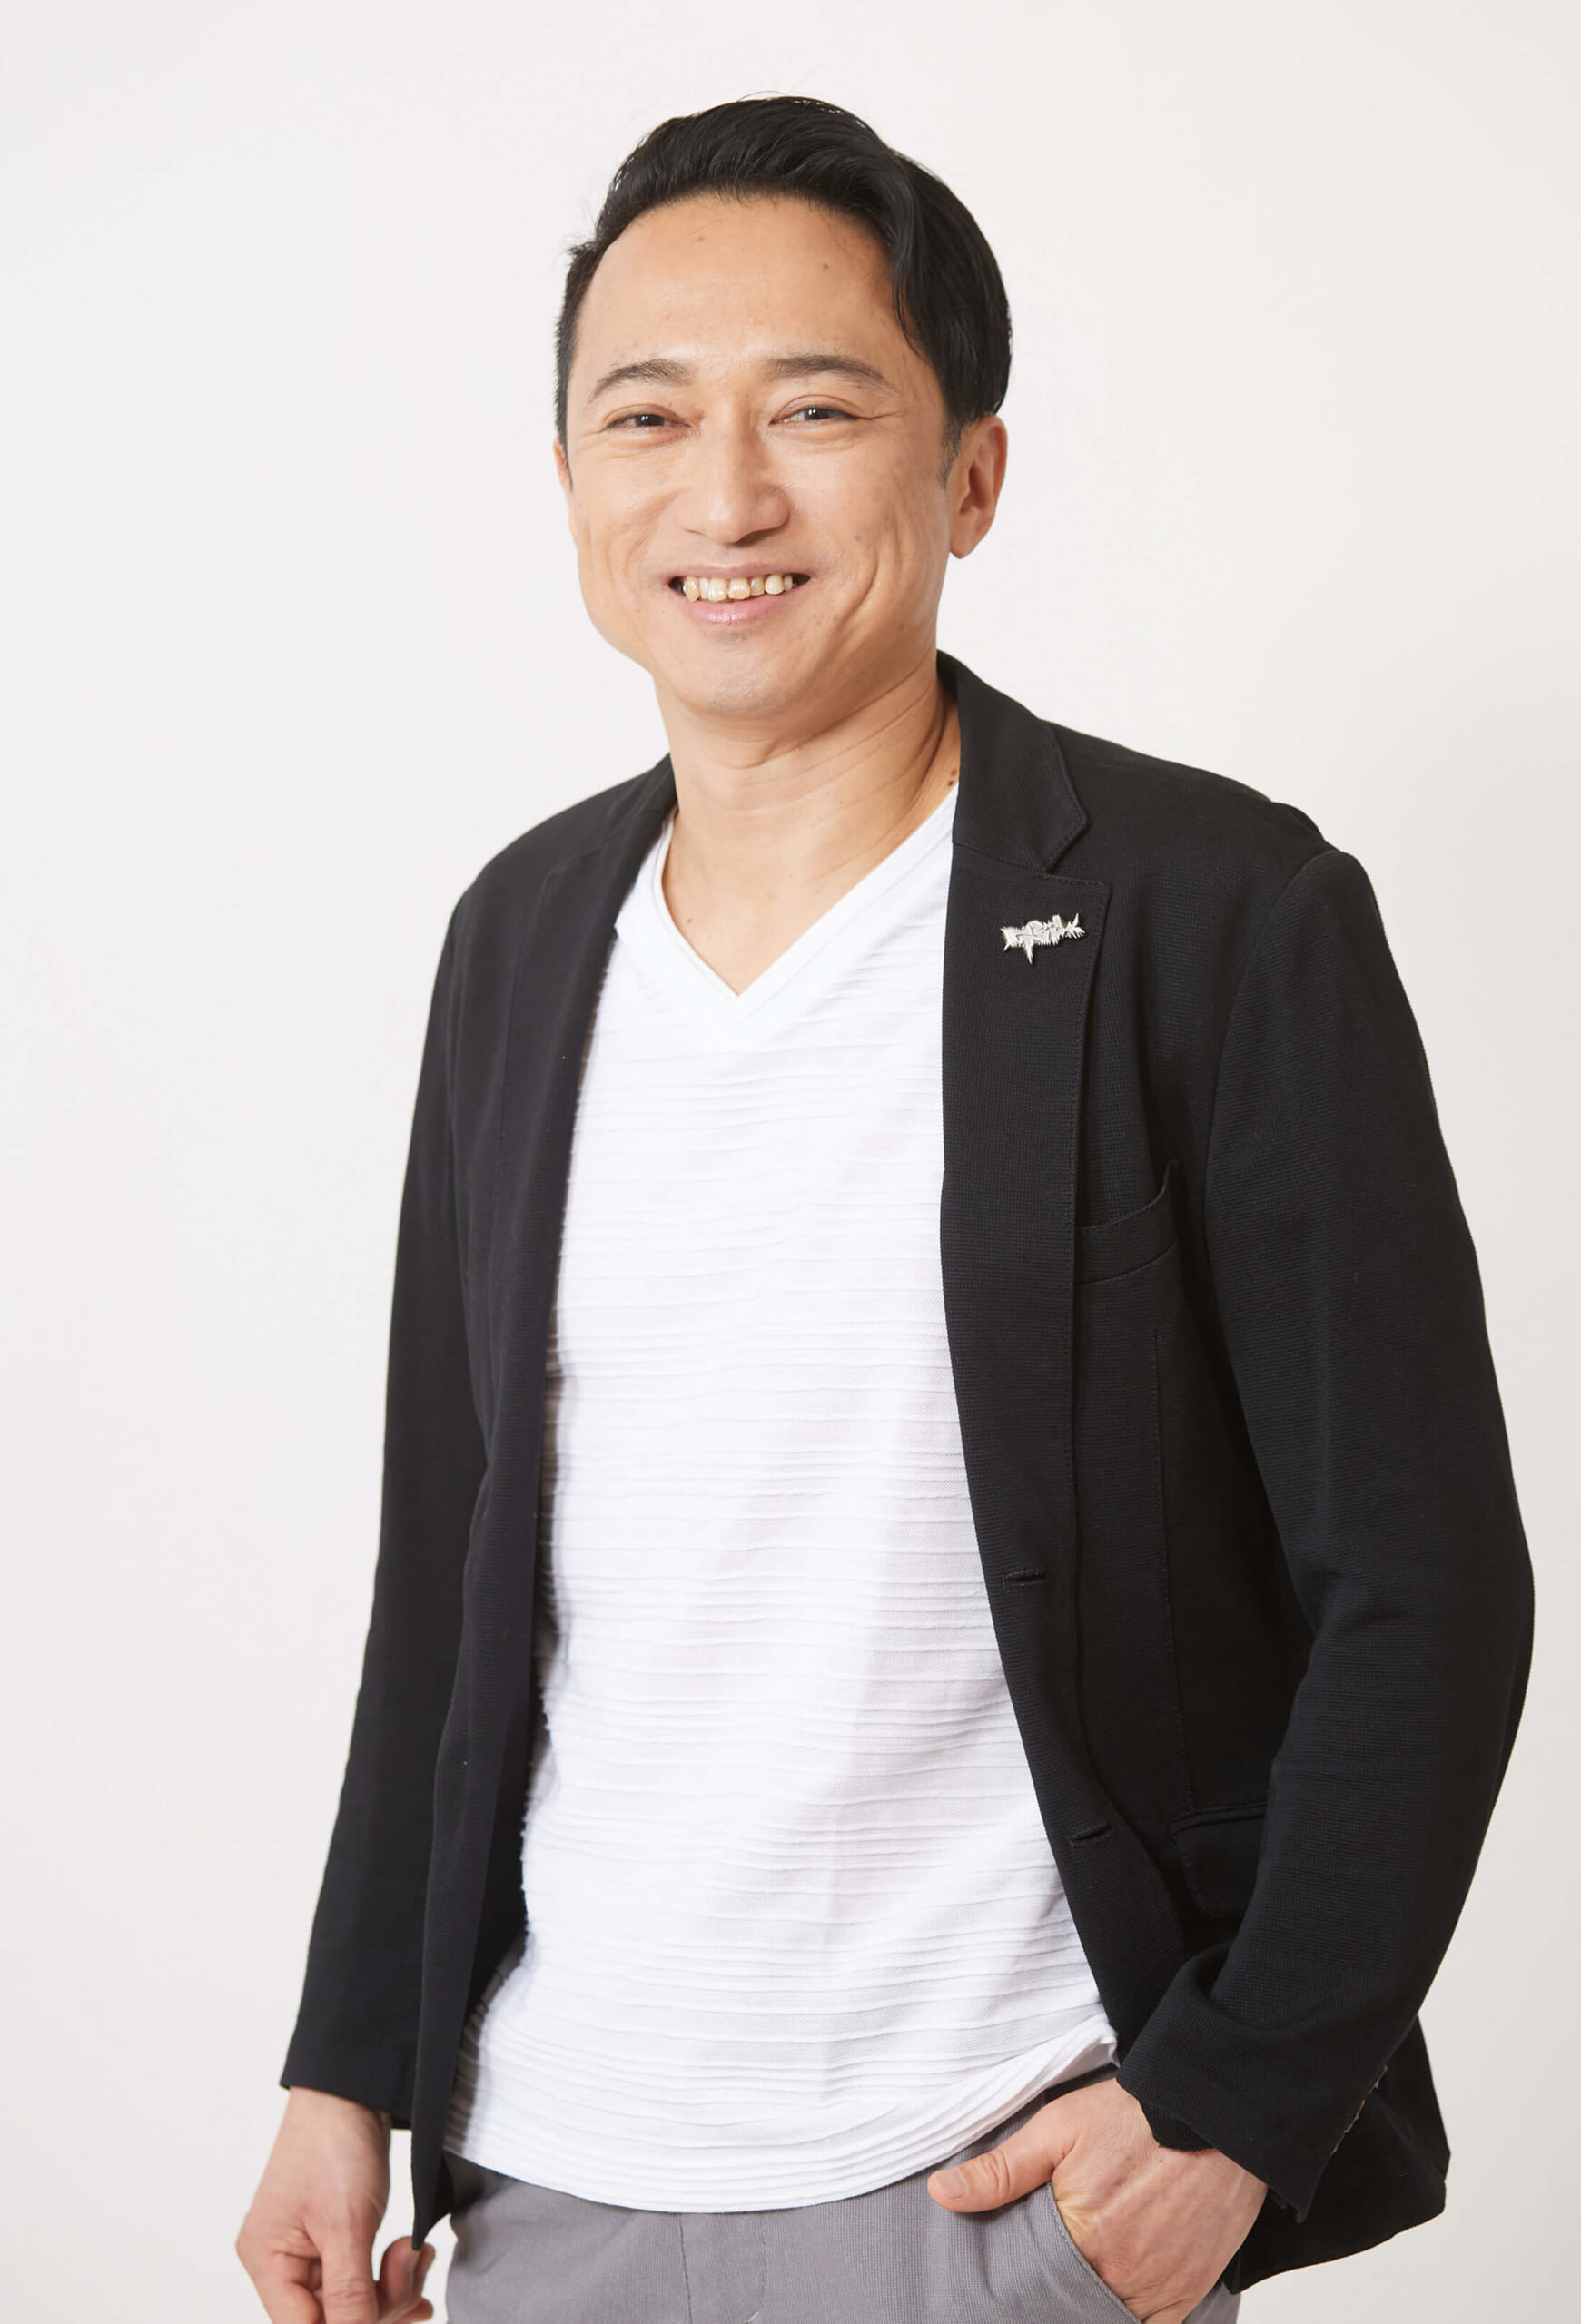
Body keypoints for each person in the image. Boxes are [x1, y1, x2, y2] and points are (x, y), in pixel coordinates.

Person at [236, 95, 1532, 2324]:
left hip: (1002, 2178)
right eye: (647, 416)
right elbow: (446, 1577)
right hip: (544, 2177)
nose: (725, 494)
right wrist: (347, 2067)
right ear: (570, 477)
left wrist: (1229, 2107)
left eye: (816, 410)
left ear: (971, 474)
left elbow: (1420, 1578)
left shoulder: (1213, 913)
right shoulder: (520, 937)